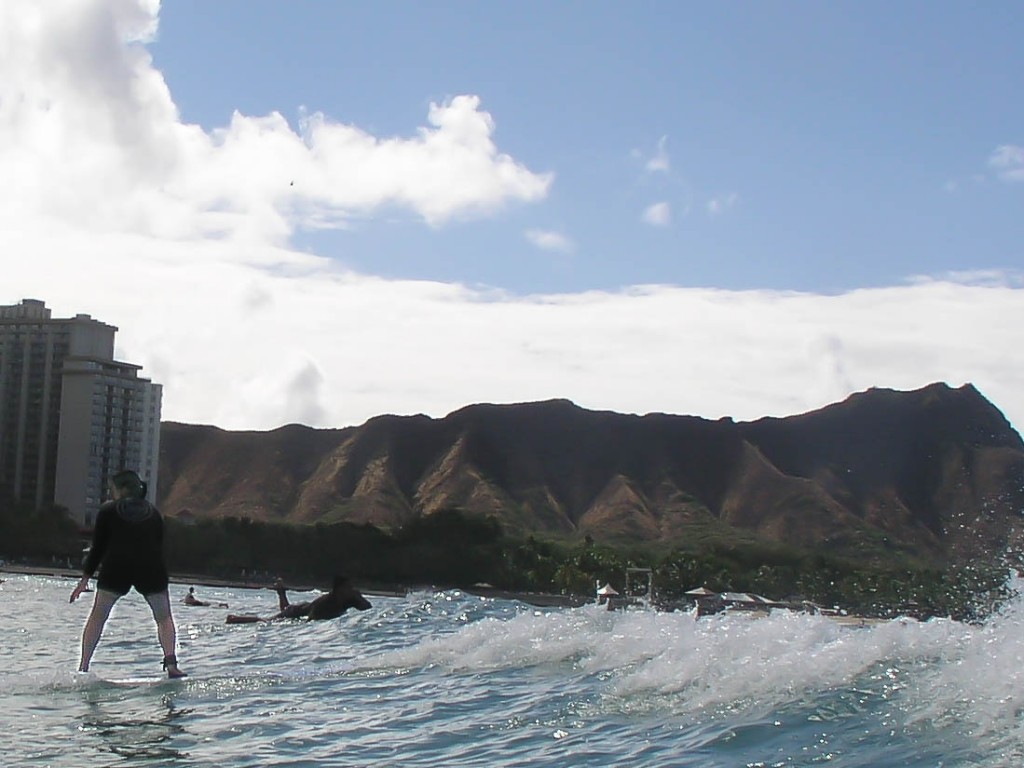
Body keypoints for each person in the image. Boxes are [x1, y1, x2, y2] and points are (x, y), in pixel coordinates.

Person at [69, 469, 186, 679]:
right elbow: (159, 547)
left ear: (121, 489)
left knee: (98, 616)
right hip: (151, 568)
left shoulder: (107, 510)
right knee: (164, 617)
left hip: (117, 567)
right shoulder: (154, 513)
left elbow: (98, 547)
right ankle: (171, 664)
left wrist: (84, 579)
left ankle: (83, 667)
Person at [226, 575, 371, 624]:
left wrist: (359, 597)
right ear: (339, 589)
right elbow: (310, 619)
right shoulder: (326, 603)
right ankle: (234, 619)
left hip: (302, 609)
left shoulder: (348, 600)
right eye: (349, 588)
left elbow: (368, 609)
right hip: (296, 611)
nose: (351, 590)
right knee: (267, 621)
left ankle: (281, 592)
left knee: (281, 614)